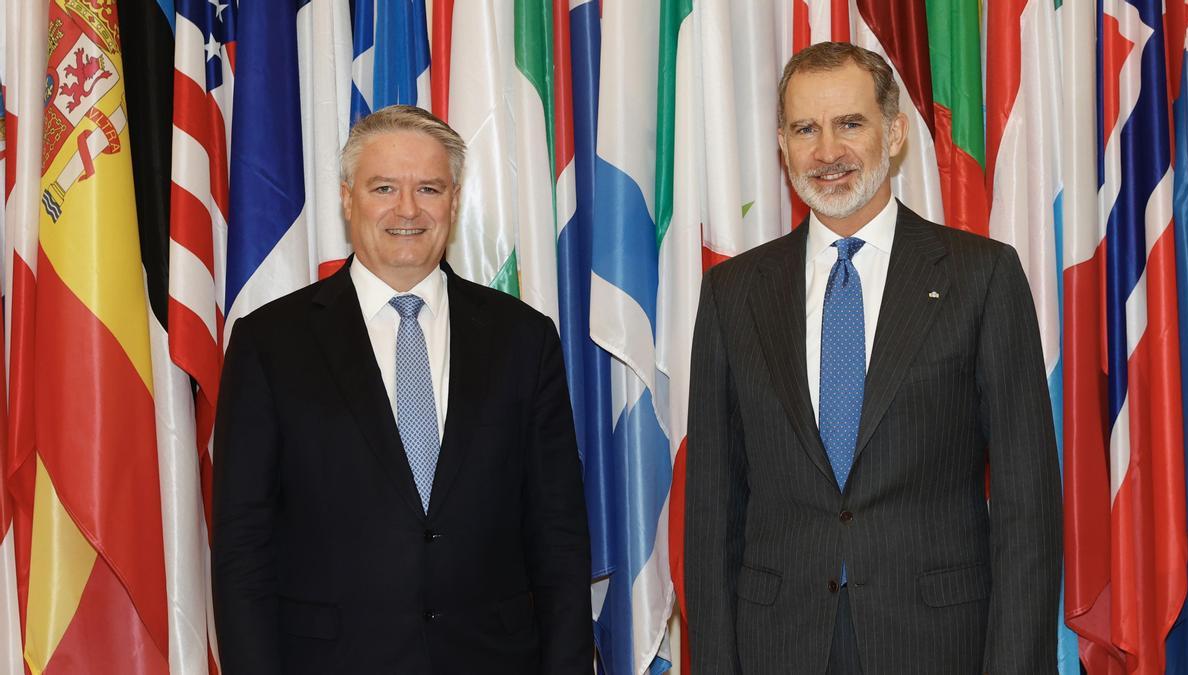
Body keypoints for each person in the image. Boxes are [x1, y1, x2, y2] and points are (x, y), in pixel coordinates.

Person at [684, 42, 1062, 674]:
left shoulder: (982, 277)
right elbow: (711, 513)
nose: (827, 151)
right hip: (779, 643)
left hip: (939, 644)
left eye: (849, 124)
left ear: (894, 133)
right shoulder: (733, 294)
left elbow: (1029, 511)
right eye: (806, 129)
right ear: (782, 143)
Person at [212, 105, 593, 674]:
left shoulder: (523, 339)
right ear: (347, 200)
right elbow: (242, 549)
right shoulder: (270, 344)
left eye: (430, 189)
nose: (408, 209)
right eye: (384, 187)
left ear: (455, 202)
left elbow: (559, 538)